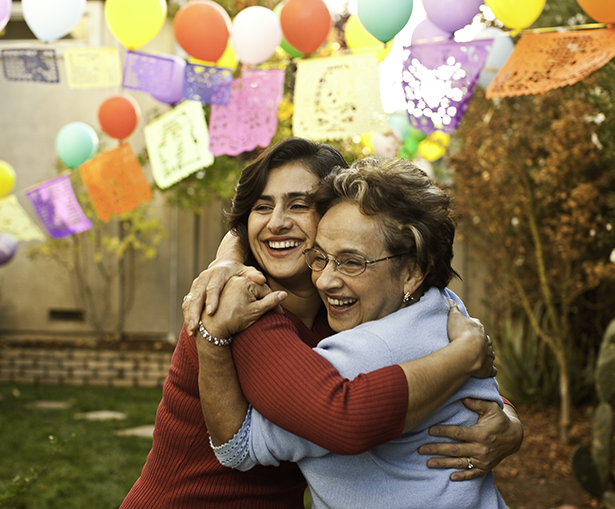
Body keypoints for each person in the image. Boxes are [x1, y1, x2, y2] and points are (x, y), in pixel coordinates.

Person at [121, 138, 522, 509]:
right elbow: (340, 418)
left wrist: (506, 419)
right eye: (262, 207)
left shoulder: (349, 308)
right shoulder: (242, 308)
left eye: (298, 205)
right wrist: (465, 355)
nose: (276, 222)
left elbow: (423, 342)